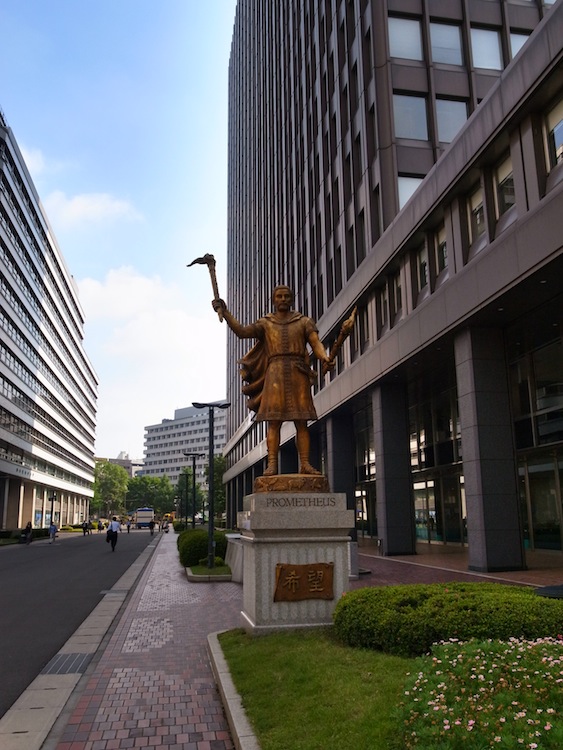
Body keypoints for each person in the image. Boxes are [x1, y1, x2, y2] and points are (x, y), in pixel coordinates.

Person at [213, 285, 334, 476]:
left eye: (286, 296)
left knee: (301, 421)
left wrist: (324, 357)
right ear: (274, 300)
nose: (283, 299)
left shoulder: (304, 321)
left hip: (298, 372)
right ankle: (272, 465)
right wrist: (226, 312)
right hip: (275, 373)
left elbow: (315, 343)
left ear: (291, 299)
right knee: (274, 422)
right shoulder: (266, 323)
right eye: (279, 296)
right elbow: (242, 332)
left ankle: (305, 463)